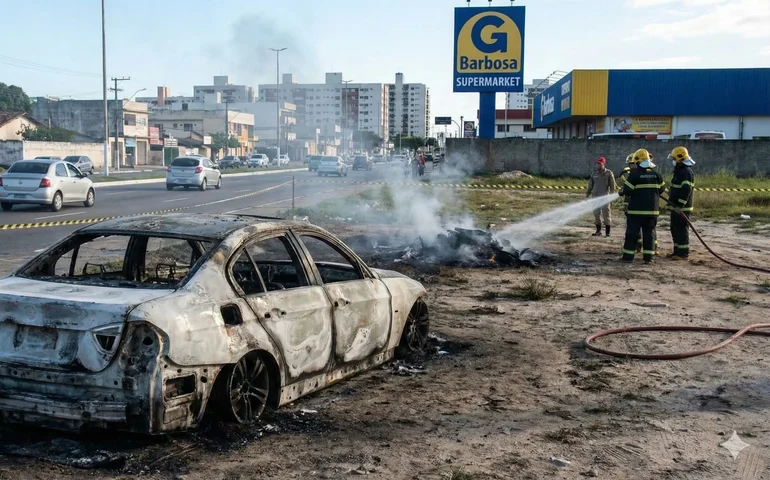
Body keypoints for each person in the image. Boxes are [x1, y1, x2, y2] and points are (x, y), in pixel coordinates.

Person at [618, 149, 666, 264]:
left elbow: (627, 190)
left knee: (632, 233)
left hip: (636, 212)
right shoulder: (657, 175)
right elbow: (662, 189)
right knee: (649, 234)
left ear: (637, 161)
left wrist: (622, 191)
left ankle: (628, 257)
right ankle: (649, 258)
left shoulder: (634, 175)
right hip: (652, 212)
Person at [666, 146, 696, 260]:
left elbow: (686, 190)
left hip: (682, 207)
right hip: (676, 206)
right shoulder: (679, 171)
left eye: (674, 159)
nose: (673, 161)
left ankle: (683, 253)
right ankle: (677, 251)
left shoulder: (686, 172)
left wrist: (680, 205)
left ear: (680, 159)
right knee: (675, 229)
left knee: (681, 230)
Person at [586, 157, 616, 237]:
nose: (598, 164)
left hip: (605, 198)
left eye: (600, 163)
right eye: (597, 163)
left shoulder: (609, 173)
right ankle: (598, 231)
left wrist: (612, 196)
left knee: (606, 214)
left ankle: (608, 232)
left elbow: (613, 186)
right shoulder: (594, 173)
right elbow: (590, 184)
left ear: (604, 163)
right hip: (595, 197)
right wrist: (588, 193)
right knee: (596, 214)